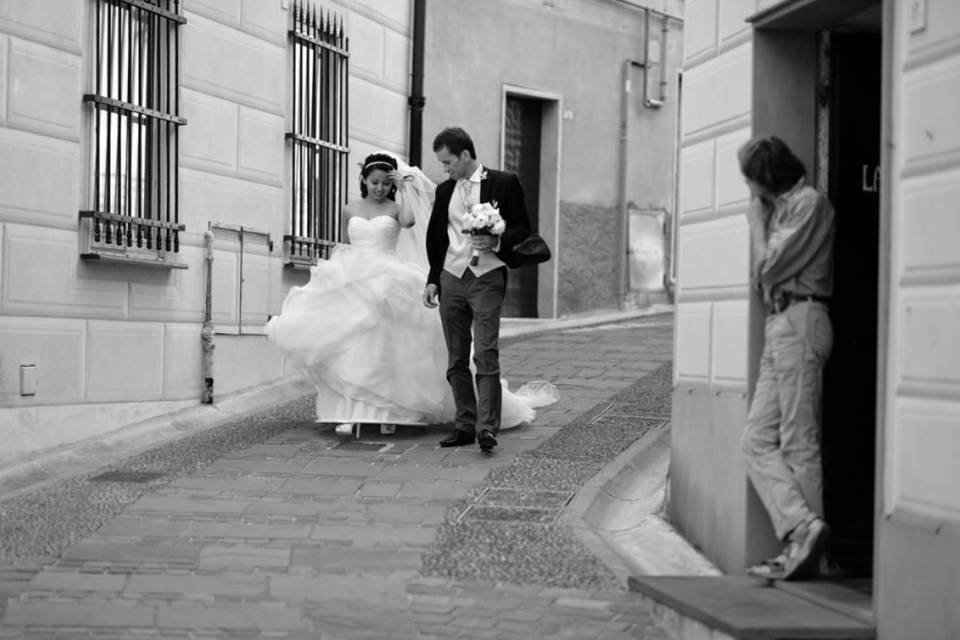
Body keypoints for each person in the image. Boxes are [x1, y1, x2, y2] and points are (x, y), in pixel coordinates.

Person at [265, 151, 556, 438]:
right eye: (374, 182)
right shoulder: (349, 209)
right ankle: (348, 411)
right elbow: (345, 244)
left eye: (384, 183)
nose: (379, 187)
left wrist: (403, 189)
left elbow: (408, 221)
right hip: (352, 276)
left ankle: (391, 412)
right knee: (350, 346)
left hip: (387, 277)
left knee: (385, 346)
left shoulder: (395, 207)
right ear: (364, 180)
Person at [738, 136, 836, 581]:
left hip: (802, 317)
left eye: (755, 182)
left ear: (770, 178)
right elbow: (763, 279)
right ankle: (802, 528)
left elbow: (767, 269)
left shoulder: (809, 205)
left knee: (799, 441)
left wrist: (758, 228)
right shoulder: (780, 209)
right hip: (781, 322)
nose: (752, 191)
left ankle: (806, 552)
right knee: (755, 438)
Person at [424, 127, 533, 453]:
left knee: (485, 353)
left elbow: (523, 227)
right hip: (451, 278)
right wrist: (433, 278)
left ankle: (487, 429)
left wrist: (498, 240)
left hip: (487, 276)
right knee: (456, 358)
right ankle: (465, 425)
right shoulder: (444, 192)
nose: (446, 169)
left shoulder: (504, 182)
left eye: (448, 162)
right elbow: (436, 238)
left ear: (466, 155)